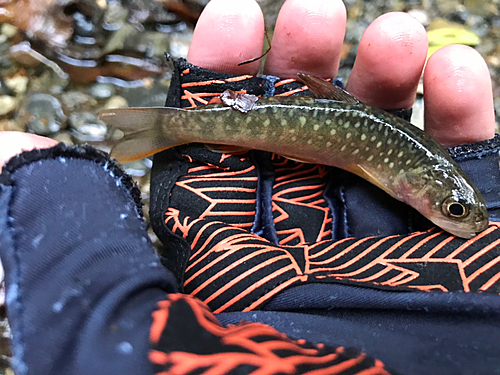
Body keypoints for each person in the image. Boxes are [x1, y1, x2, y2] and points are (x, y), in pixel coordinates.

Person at [0, 0, 499, 374]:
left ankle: (164, 127)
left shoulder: (418, 167)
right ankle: (168, 126)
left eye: (456, 211)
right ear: (416, 186)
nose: (461, 220)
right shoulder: (409, 171)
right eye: (455, 209)